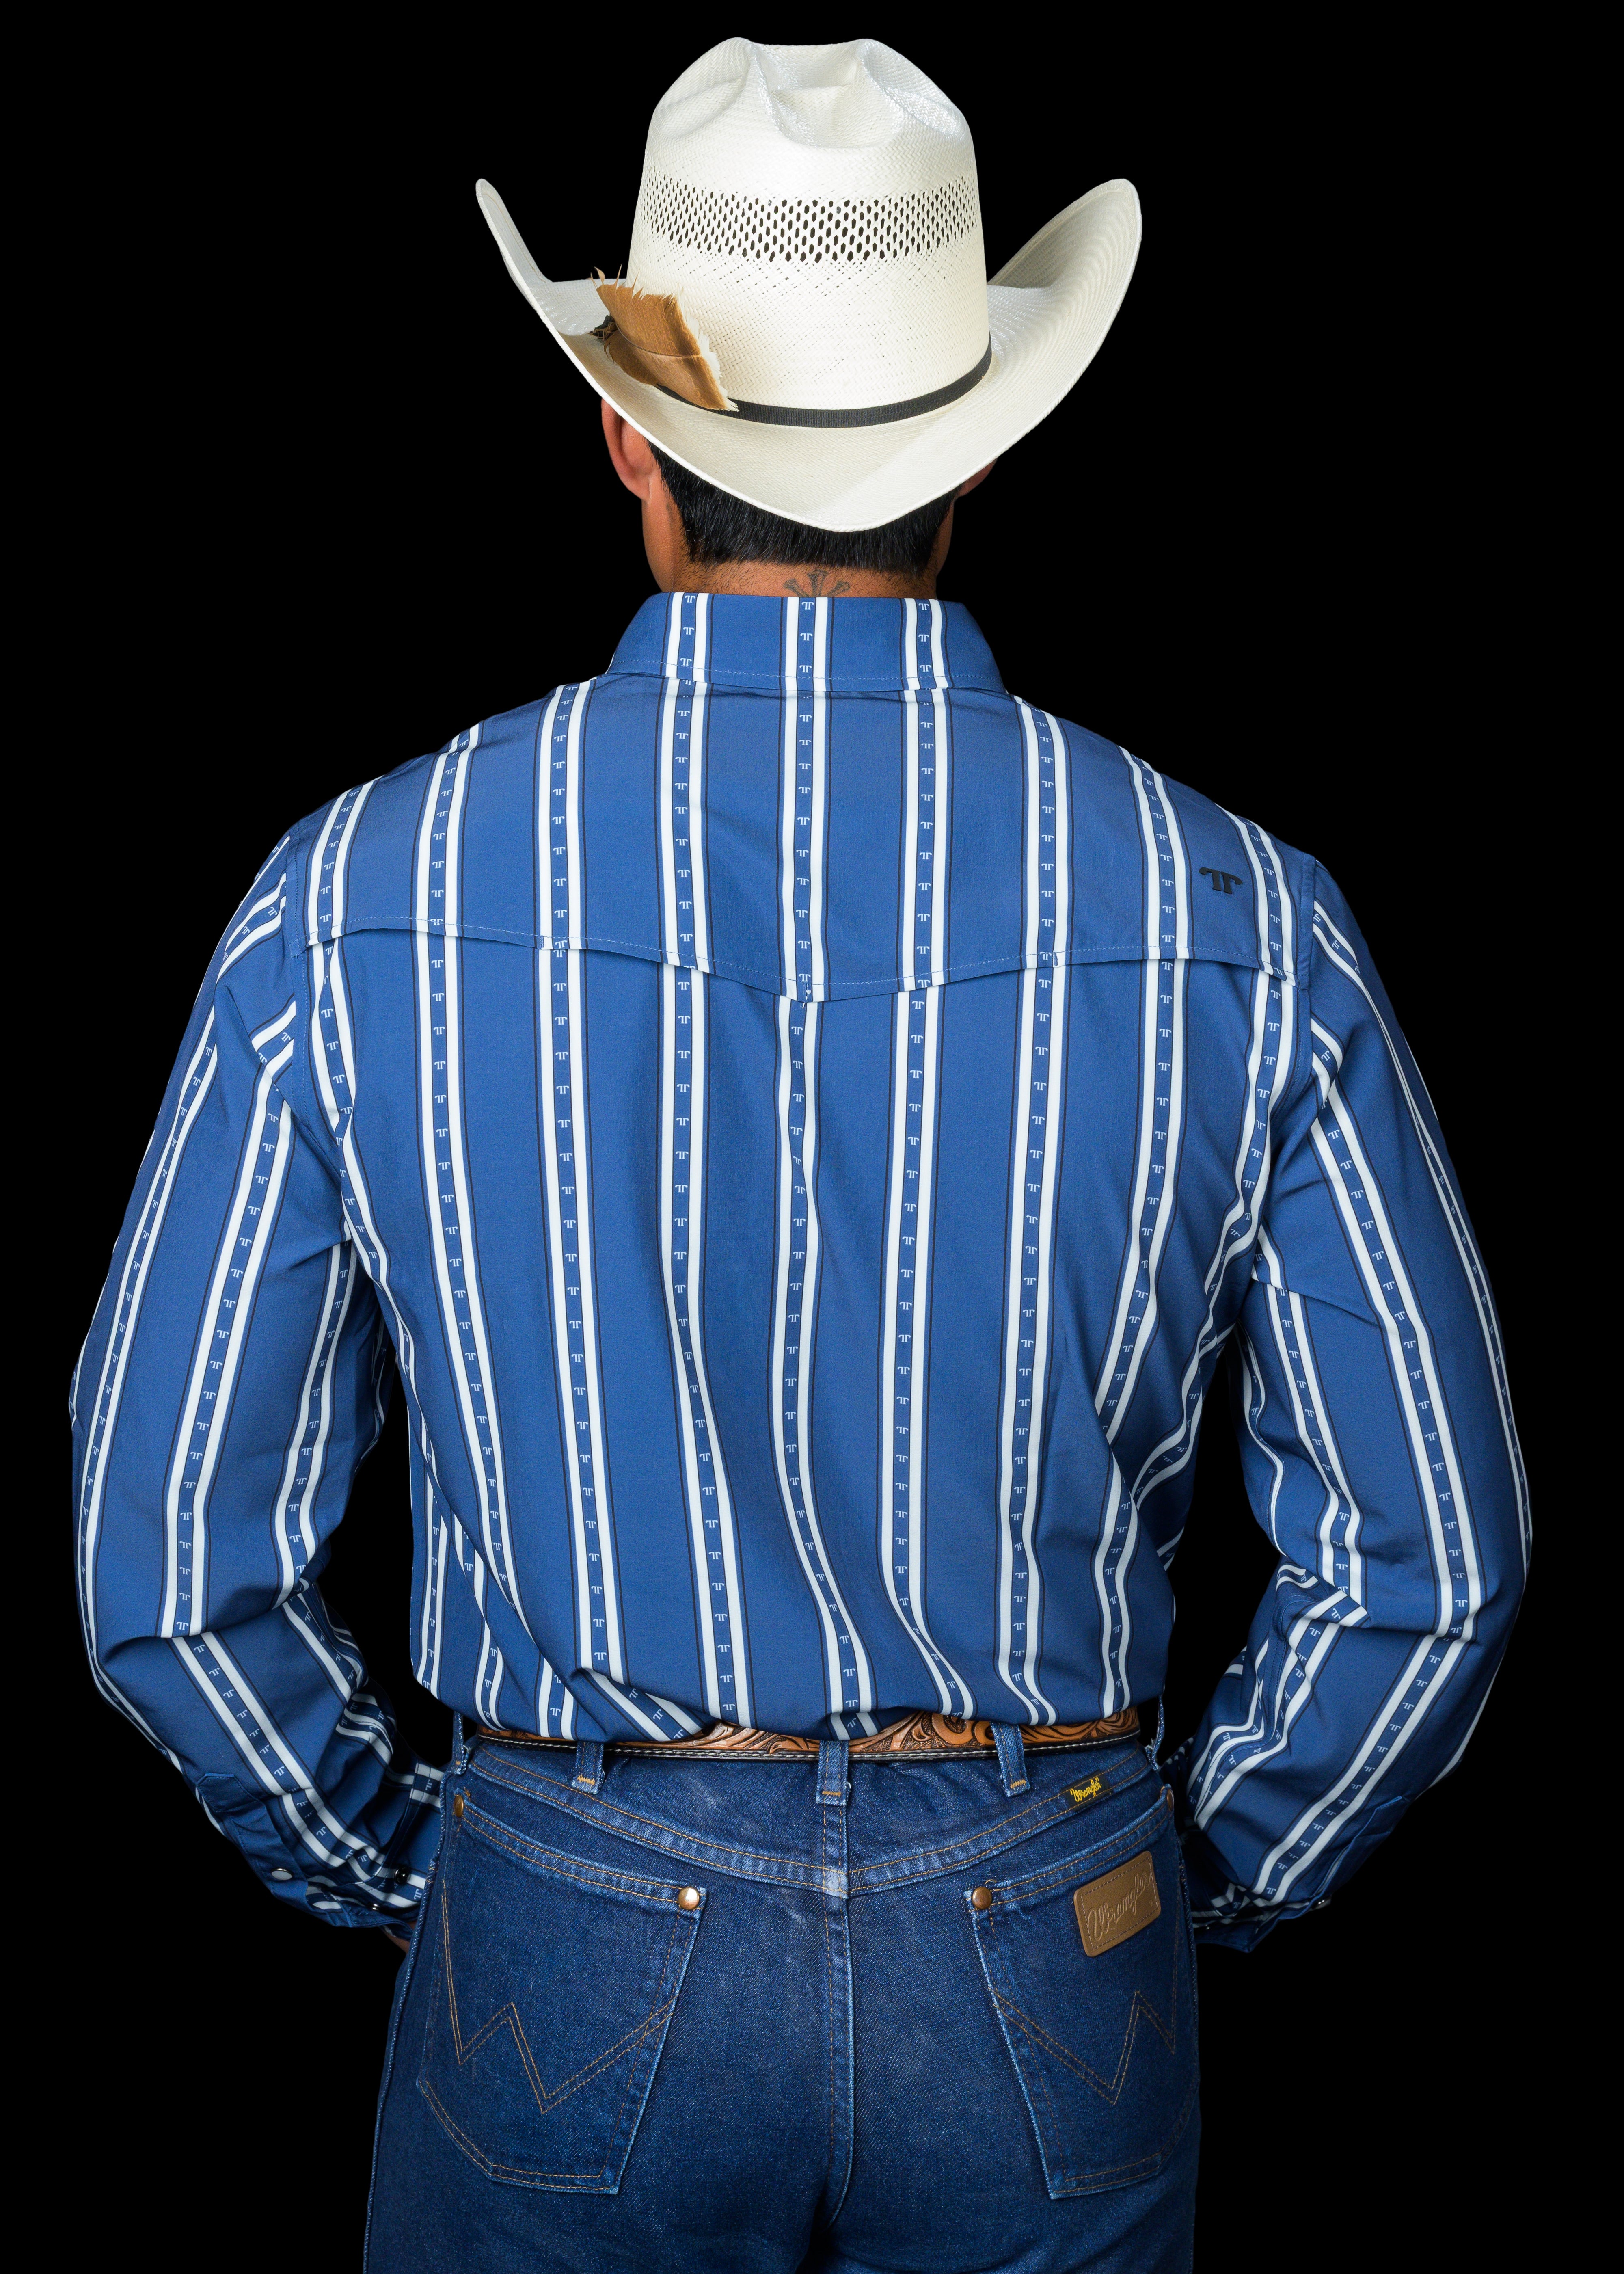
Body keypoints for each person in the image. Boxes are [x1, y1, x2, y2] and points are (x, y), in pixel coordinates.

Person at [70, 36, 1528, 2274]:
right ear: (982, 450)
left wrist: (425, 1867)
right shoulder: (1241, 915)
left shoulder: (358, 892)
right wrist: (1160, 1879)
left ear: (625, 436)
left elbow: (169, 1559)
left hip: (560, 1903)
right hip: (1056, 1916)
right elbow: (1430, 1564)